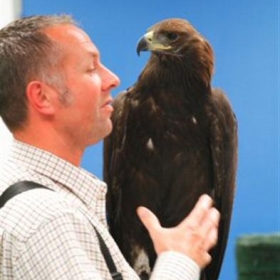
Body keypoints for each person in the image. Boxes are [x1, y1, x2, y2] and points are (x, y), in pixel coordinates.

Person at [0, 15, 220, 280]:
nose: (113, 79)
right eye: (91, 69)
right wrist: (179, 261)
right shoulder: (49, 221)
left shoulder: (41, 199)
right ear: (42, 97)